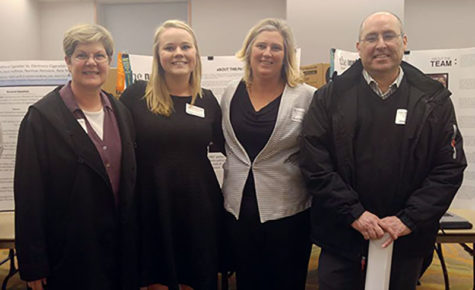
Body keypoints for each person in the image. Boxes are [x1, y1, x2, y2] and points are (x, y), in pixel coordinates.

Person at [299, 11, 466, 290]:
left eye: (388, 36)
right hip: (342, 237)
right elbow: (315, 163)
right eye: (371, 38)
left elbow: (448, 169)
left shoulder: (434, 100)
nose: (380, 44)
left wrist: (407, 220)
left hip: (404, 240)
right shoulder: (329, 98)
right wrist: (355, 214)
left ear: (403, 42)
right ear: (358, 47)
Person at [14, 24, 138, 290]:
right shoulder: (41, 118)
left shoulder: (121, 112)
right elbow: (28, 195)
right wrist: (33, 263)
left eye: (99, 55)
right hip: (69, 255)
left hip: (119, 252)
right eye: (82, 55)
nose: (91, 62)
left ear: (108, 61)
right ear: (68, 61)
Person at [120, 20, 224, 290]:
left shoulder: (207, 99)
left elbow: (228, 146)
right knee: (157, 280)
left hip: (198, 203)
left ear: (195, 53)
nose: (178, 52)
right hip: (152, 202)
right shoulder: (135, 96)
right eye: (169, 47)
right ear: (158, 56)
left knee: (196, 277)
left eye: (185, 46)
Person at [221, 18, 316, 290]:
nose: (267, 53)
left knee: (287, 281)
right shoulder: (230, 92)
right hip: (239, 210)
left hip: (288, 212)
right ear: (249, 50)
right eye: (261, 45)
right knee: (247, 280)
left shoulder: (306, 96)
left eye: (276, 47)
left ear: (287, 55)